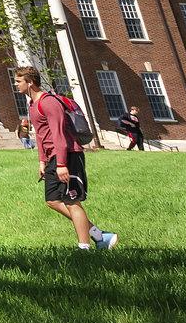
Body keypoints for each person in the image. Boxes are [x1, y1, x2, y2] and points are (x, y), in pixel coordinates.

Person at [18, 68, 117, 252]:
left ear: (30, 82)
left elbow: (59, 134)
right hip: (53, 158)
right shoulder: (33, 105)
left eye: (19, 81)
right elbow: (40, 135)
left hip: (68, 154)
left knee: (71, 201)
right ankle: (99, 235)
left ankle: (84, 248)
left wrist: (62, 164)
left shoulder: (48, 103)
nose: (16, 85)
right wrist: (42, 161)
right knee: (53, 200)